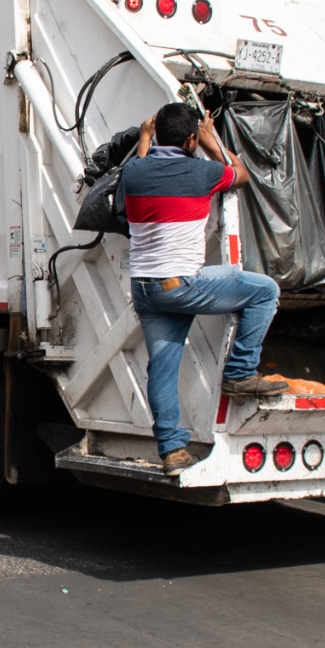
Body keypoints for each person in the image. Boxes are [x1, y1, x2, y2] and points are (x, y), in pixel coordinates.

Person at [122, 103, 288, 476]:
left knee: (161, 371)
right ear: (191, 139)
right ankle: (241, 371)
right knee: (264, 291)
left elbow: (143, 159)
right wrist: (213, 141)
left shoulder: (134, 171)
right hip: (180, 283)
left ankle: (173, 453)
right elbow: (241, 175)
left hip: (145, 289)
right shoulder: (202, 171)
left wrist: (144, 137)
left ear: (157, 135)